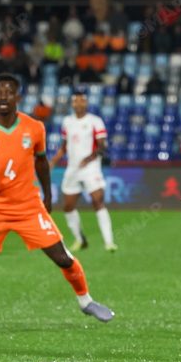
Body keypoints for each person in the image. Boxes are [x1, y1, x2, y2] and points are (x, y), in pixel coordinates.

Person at [0, 74, 113, 329]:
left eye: (8, 92)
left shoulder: (34, 127)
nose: (3, 96)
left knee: (63, 257)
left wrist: (47, 195)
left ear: (18, 97)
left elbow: (41, 162)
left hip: (29, 207)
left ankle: (86, 301)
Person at [50, 89, 117, 252]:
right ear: (72, 103)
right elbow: (64, 146)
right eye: (75, 101)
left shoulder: (95, 121)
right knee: (68, 206)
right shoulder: (67, 121)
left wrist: (89, 158)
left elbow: (102, 146)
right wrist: (53, 161)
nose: (78, 103)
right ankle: (80, 240)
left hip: (90, 168)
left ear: (86, 103)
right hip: (73, 168)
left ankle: (109, 242)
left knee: (97, 200)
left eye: (81, 100)